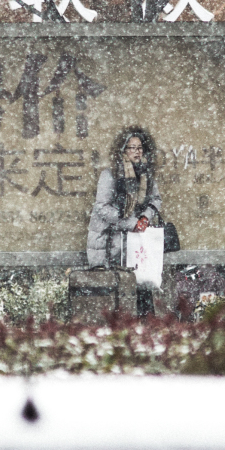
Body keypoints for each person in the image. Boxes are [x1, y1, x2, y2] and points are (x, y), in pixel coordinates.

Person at [86, 127, 163, 312]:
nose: (137, 152)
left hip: (136, 245)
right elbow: (102, 208)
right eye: (132, 148)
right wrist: (132, 223)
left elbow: (155, 199)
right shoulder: (110, 174)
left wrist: (145, 217)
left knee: (142, 294)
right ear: (122, 150)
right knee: (116, 302)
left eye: (139, 148)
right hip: (110, 245)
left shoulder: (145, 173)